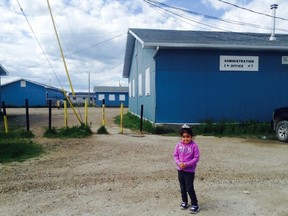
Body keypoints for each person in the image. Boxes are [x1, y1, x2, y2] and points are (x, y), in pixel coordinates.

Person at [173, 124, 200, 214]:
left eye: (188, 136)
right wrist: (179, 163)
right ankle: (184, 201)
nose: (186, 138)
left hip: (189, 171)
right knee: (182, 187)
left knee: (189, 187)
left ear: (191, 137)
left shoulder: (194, 146)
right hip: (180, 170)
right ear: (181, 137)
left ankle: (195, 204)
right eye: (183, 137)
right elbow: (175, 155)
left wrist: (187, 164)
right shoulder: (178, 145)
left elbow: (196, 158)